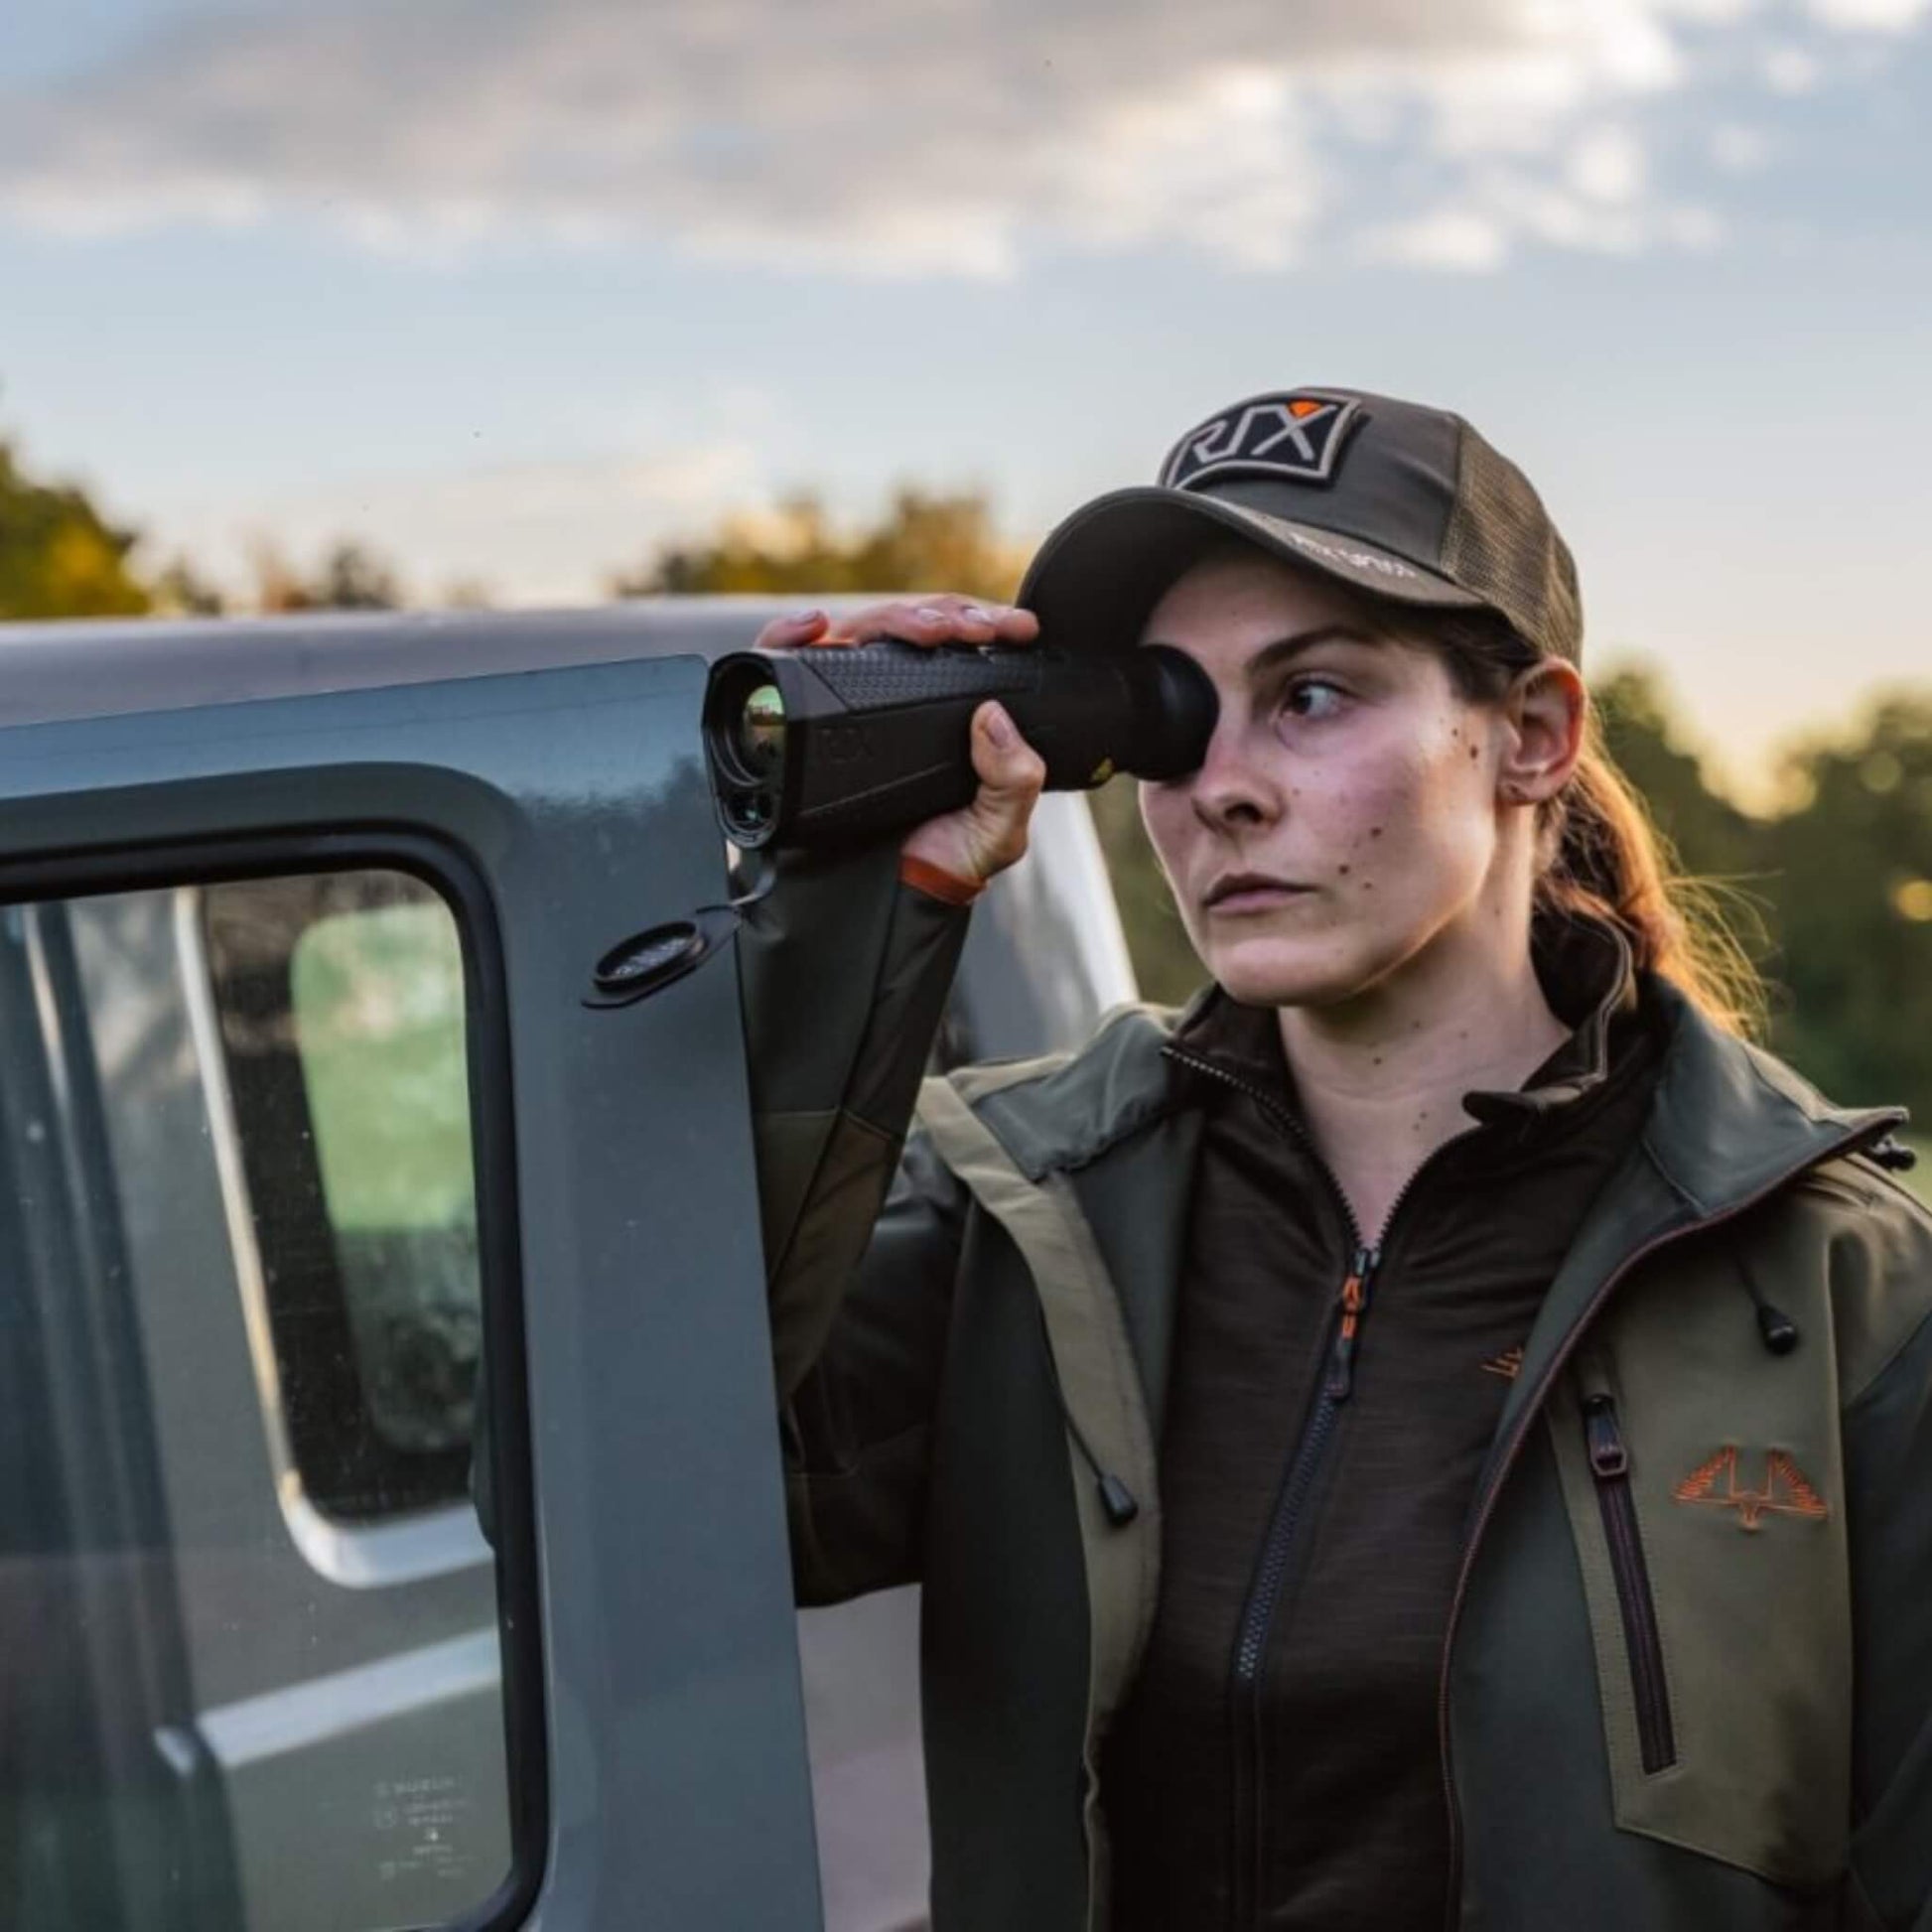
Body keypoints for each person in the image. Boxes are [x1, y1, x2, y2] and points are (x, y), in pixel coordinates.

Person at [737, 387, 1932, 1931]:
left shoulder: (1839, 1291)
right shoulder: (1021, 1224)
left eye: (1310, 696)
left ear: (1532, 735)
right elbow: (632, 1486)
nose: (1219, 783)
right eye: (1173, 712)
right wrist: (836, 908)